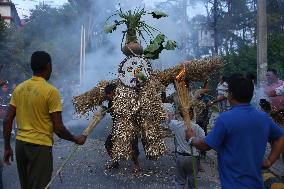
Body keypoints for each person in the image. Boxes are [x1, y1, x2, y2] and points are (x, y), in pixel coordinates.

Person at [3, 51, 87, 189]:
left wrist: (7, 147)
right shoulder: (51, 91)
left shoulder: (20, 89)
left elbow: (7, 120)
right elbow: (58, 129)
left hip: (20, 146)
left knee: (26, 186)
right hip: (39, 147)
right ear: (48, 66)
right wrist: (75, 139)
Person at [186, 75, 284, 189]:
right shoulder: (263, 118)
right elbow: (280, 137)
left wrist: (192, 138)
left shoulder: (225, 119)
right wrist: (269, 161)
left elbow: (206, 145)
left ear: (230, 95)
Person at [103, 84, 141, 171]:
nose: (108, 96)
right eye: (107, 94)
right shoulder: (110, 103)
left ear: (113, 92)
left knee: (132, 146)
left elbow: (135, 110)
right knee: (108, 144)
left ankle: (137, 165)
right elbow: (111, 113)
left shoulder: (125, 99)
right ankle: (115, 162)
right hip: (116, 127)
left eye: (109, 94)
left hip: (130, 127)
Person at [166, 107, 205, 189]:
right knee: (192, 182)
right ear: (192, 114)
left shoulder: (176, 124)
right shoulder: (196, 127)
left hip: (180, 157)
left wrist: (170, 115)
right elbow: (203, 139)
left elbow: (169, 120)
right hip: (193, 157)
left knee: (180, 181)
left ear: (180, 114)